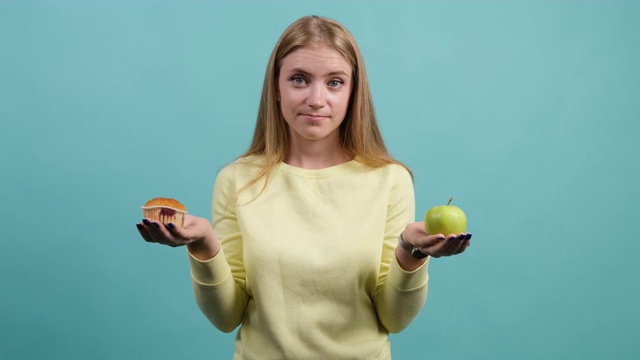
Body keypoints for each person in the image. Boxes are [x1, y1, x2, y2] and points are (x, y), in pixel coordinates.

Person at [136, 15, 471, 360]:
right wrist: (204, 244)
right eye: (299, 79)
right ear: (276, 89)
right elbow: (226, 317)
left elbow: (394, 319)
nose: (316, 98)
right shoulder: (237, 179)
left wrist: (411, 253)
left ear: (354, 92)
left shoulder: (389, 179)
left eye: (335, 82)